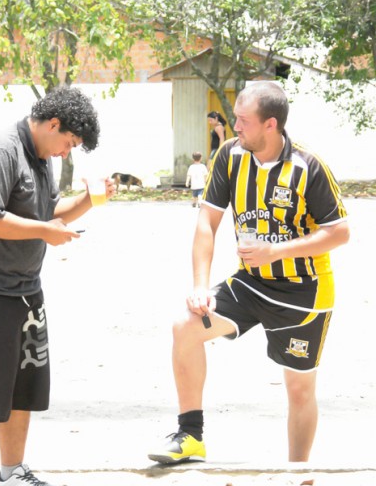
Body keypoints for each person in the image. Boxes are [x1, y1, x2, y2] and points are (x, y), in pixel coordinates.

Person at [149, 81, 349, 466]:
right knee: (185, 325)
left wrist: (276, 251)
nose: (235, 126)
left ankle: (296, 471)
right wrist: (200, 286)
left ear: (270, 124)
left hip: (303, 293)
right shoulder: (230, 155)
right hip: (250, 283)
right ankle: (191, 436)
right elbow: (207, 223)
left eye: (243, 120)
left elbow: (339, 232)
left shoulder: (309, 166)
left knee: (299, 389)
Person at [0, 86, 114, 486]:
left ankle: (12, 473)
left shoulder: (40, 157)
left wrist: (89, 201)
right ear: (53, 124)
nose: (65, 152)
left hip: (25, 291)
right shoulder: (0, 150)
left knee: (22, 391)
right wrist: (44, 232)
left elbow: (49, 211)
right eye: (68, 142)